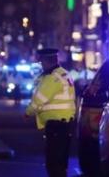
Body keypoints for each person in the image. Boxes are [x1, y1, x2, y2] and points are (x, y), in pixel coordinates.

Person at [24, 48, 76, 177]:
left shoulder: (52, 78)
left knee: (53, 162)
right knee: (60, 162)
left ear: (46, 61)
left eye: (41, 62)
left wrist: (28, 112)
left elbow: (39, 99)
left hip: (56, 125)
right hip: (65, 123)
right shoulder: (64, 73)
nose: (40, 65)